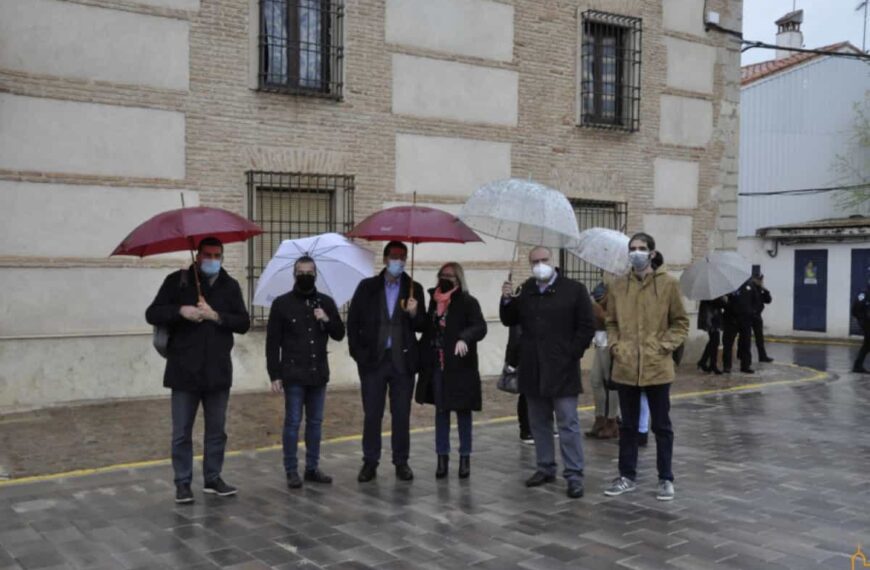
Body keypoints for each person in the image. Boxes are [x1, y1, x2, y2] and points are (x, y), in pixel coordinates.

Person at [145, 237, 250, 504]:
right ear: (198, 256)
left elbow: (243, 322)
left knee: (217, 430)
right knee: (182, 432)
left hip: (217, 372)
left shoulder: (230, 285)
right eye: (207, 255)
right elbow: (152, 313)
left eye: (217, 256)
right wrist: (182, 310)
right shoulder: (177, 281)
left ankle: (213, 478)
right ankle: (183, 482)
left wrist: (216, 316)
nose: (212, 260)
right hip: (183, 371)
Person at [500, 246, 595, 499]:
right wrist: (507, 299)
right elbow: (510, 319)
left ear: (552, 261)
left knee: (568, 423)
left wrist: (572, 352)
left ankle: (574, 474)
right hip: (533, 367)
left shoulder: (573, 289)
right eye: (535, 261)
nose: (539, 264)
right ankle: (545, 467)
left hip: (562, 368)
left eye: (543, 260)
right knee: (538, 422)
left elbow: (587, 326)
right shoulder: (527, 289)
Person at [604, 233, 689, 501]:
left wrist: (663, 346)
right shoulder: (618, 286)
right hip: (626, 367)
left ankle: (665, 478)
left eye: (641, 248)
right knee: (627, 426)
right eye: (632, 249)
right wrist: (616, 346)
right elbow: (611, 322)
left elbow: (680, 323)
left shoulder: (669, 285)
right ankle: (626, 476)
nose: (636, 253)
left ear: (652, 253)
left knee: (661, 426)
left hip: (657, 366)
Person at [347, 241, 426, 482]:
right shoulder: (367, 287)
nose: (399, 261)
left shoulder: (415, 289)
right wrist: (358, 355)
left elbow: (423, 326)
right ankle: (370, 461)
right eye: (394, 256)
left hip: (402, 363)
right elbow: (353, 322)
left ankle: (401, 461)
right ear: (384, 259)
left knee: (401, 414)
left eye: (403, 257)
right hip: (373, 362)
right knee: (373, 414)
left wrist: (414, 313)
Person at [266, 256, 345, 490]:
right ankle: (291, 470)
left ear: (316, 274)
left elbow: (340, 333)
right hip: (293, 374)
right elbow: (273, 342)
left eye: (309, 272)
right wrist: (274, 374)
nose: (305, 275)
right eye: (301, 271)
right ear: (294, 274)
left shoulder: (326, 302)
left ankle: (312, 467)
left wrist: (326, 318)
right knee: (292, 422)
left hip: (318, 373)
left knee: (315, 423)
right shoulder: (282, 304)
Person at [416, 263, 487, 479]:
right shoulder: (433, 300)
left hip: (460, 367)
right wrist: (413, 314)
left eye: (451, 276)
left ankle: (464, 457)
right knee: (441, 411)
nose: (446, 279)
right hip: (437, 366)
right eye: (443, 275)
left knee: (463, 412)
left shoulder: (468, 302)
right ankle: (442, 458)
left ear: (459, 279)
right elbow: (426, 328)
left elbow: (480, 327)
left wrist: (464, 337)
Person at [586, 280, 619, 440]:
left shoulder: (619, 290)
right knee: (595, 380)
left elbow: (610, 318)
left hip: (610, 341)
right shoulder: (603, 287)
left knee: (611, 382)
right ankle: (600, 418)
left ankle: (612, 421)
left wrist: (595, 305)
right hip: (599, 339)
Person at [504, 319, 533, 444]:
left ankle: (541, 425)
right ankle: (526, 429)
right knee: (526, 393)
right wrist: (512, 360)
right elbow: (515, 335)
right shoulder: (521, 306)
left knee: (541, 393)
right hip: (524, 354)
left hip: (539, 352)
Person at [722, 279, 758, 374]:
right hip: (731, 320)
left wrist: (752, 313)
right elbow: (724, 303)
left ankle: (745, 365)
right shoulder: (729, 286)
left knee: (746, 343)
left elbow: (756, 301)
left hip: (746, 320)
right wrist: (726, 303)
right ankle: (727, 366)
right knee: (728, 343)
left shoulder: (750, 286)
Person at [696, 297, 726, 374]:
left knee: (713, 342)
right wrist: (724, 299)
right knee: (715, 341)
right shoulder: (711, 295)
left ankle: (704, 362)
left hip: (712, 319)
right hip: (711, 320)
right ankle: (712, 365)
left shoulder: (710, 294)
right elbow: (721, 304)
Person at [750, 274, 774, 363]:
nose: (761, 281)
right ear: (754, 279)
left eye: (761, 280)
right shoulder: (750, 288)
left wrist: (766, 290)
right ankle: (743, 357)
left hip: (757, 316)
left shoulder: (760, 289)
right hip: (749, 316)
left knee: (759, 337)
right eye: (759, 280)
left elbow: (768, 300)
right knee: (745, 337)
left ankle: (762, 356)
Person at [852, 277, 870, 373]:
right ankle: (857, 366)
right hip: (867, 324)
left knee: (867, 345)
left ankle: (857, 366)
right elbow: (855, 309)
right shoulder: (864, 294)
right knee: (867, 345)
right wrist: (862, 320)